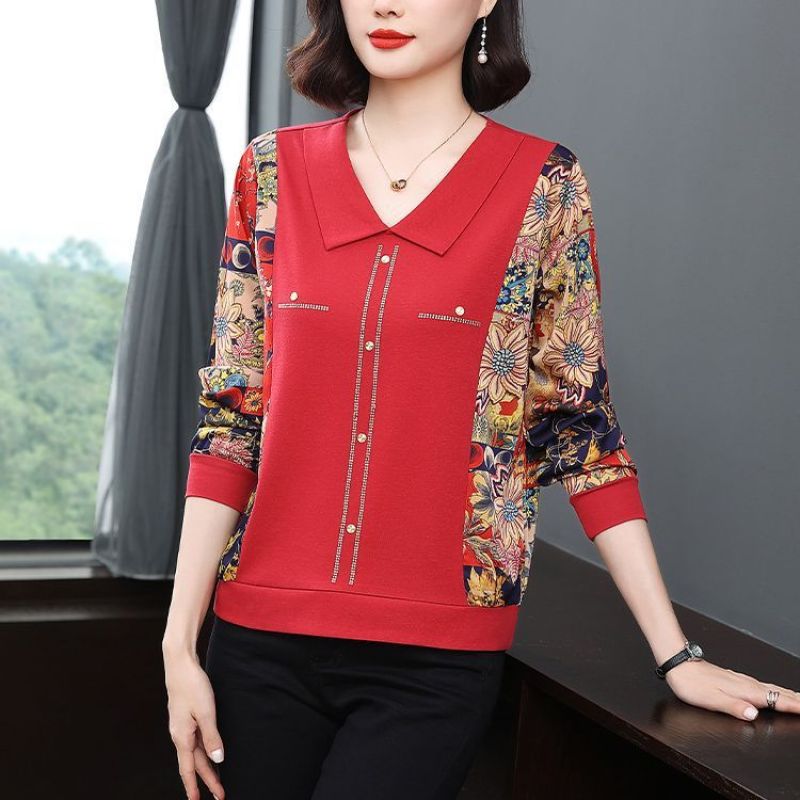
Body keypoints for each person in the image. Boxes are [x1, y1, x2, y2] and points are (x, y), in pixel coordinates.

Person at [162, 2, 800, 799]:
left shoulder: (545, 188)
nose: (386, 4)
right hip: (254, 648)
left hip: (433, 666)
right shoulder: (270, 172)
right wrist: (179, 648)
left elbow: (581, 429)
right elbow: (231, 418)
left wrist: (677, 655)